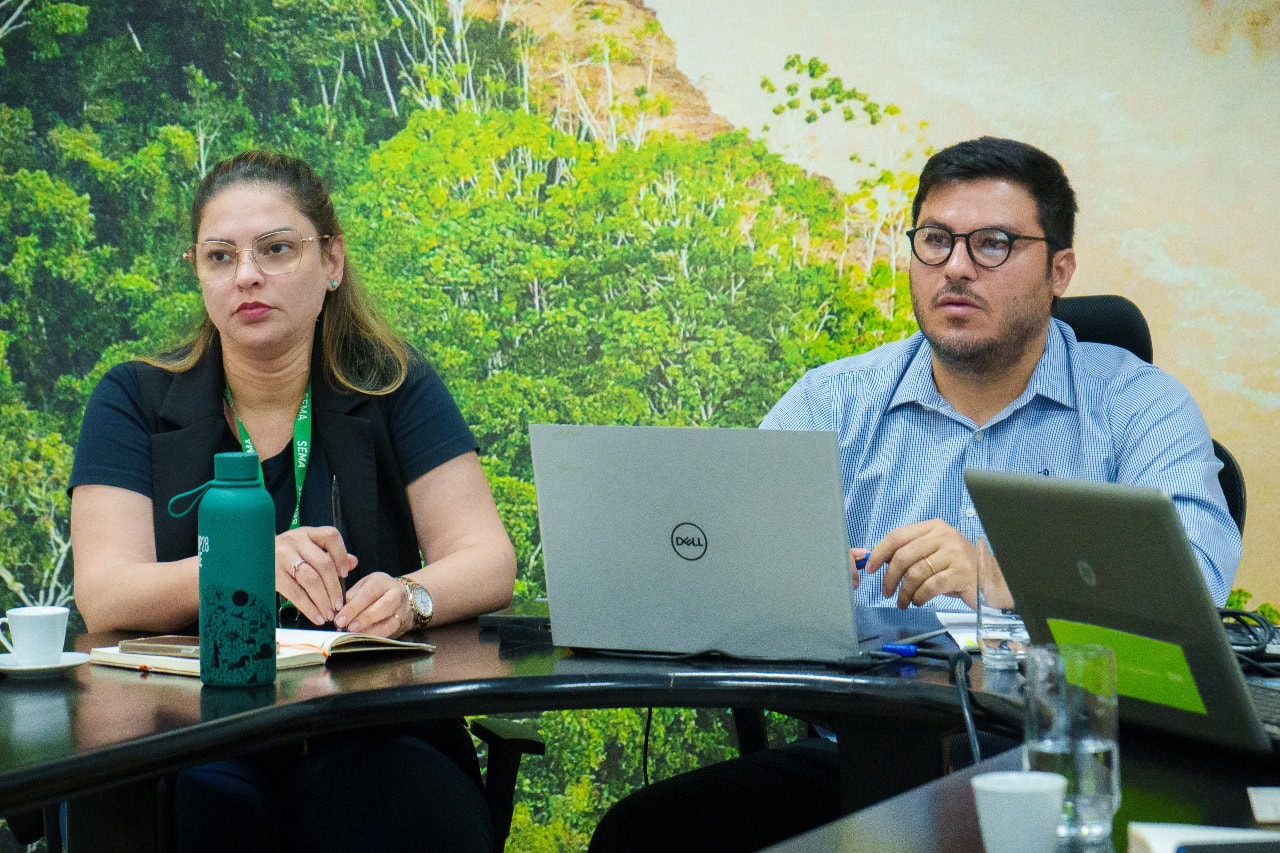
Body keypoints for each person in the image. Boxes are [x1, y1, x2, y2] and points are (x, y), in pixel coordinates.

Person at [589, 136, 1241, 851]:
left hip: (1064, 761)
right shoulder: (832, 400)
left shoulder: (1138, 405)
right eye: (935, 241)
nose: (956, 267)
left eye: (992, 244)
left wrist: (996, 572)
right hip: (864, 756)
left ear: (1060, 269)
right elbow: (719, 552)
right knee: (645, 833)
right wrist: (780, 580)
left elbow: (1196, 583)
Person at [69, 150, 517, 852]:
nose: (246, 274)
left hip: (372, 725)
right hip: (187, 732)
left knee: (390, 816)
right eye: (221, 256)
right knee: (205, 815)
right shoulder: (133, 398)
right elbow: (104, 594)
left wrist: (409, 596)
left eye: (277, 249)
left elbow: (487, 558)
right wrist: (241, 568)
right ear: (199, 270)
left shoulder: (393, 382)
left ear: (331, 261)